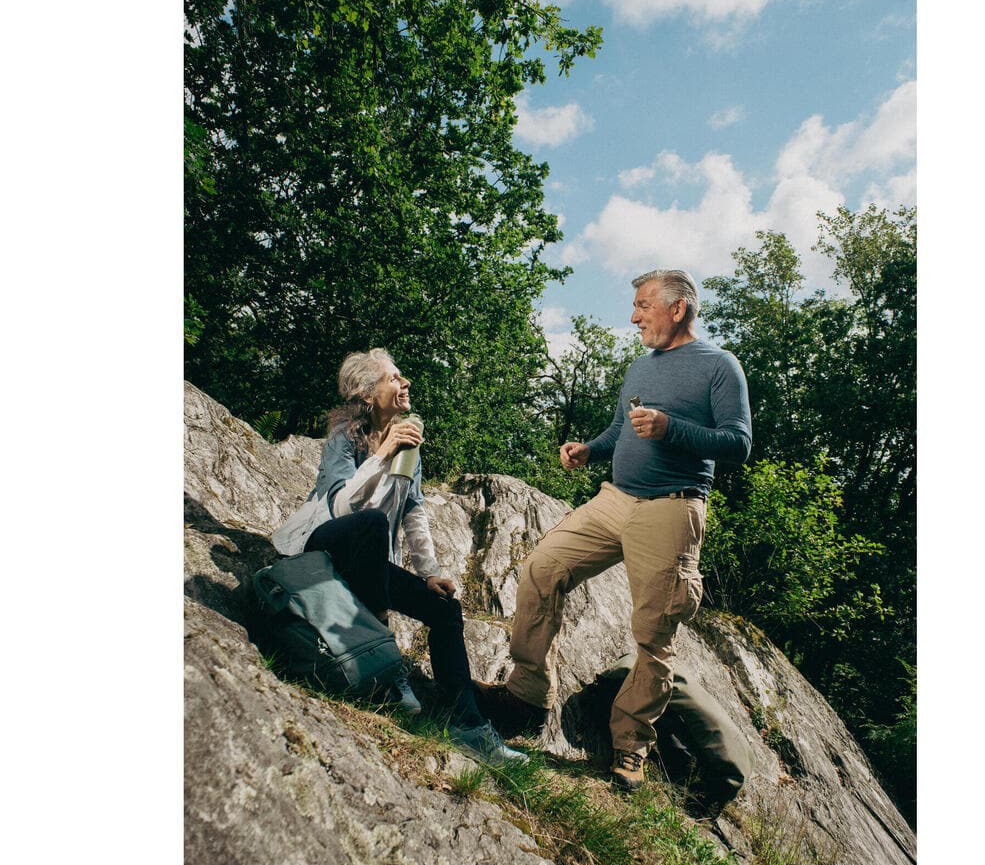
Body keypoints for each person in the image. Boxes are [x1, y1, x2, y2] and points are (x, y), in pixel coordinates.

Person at [478, 270, 752, 791]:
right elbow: (622, 428)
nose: (633, 317)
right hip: (615, 500)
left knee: (654, 633)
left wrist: (673, 429)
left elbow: (737, 444)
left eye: (642, 305)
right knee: (542, 567)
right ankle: (526, 695)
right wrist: (589, 449)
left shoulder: (720, 367)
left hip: (671, 508)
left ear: (678, 308)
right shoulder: (639, 367)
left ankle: (630, 748)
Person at [271, 349, 527, 767]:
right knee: (371, 523)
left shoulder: (410, 446)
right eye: (394, 378)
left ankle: (470, 729)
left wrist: (430, 573)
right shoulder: (345, 439)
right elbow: (341, 508)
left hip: (367, 565)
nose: (405, 383)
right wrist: (382, 452)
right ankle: (389, 667)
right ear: (368, 394)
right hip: (325, 549)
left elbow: (414, 511)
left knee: (445, 609)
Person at [586, 656, 756, 818]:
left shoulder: (730, 766)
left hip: (640, 669)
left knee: (679, 750)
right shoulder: (732, 765)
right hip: (634, 675)